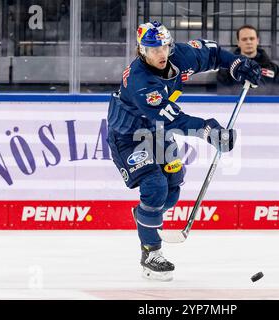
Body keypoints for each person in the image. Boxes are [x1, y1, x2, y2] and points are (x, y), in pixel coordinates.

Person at [107, 21, 264, 281]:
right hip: (129, 136)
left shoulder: (180, 55)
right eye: (151, 49)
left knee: (172, 185)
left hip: (157, 132)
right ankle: (151, 252)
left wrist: (238, 64)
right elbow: (173, 119)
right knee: (155, 186)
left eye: (163, 47)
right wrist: (208, 130)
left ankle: (147, 213)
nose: (159, 53)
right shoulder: (140, 81)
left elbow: (213, 53)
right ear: (141, 51)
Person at [217, 24, 279, 95]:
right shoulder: (226, 69)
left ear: (257, 41)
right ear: (238, 42)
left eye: (252, 38)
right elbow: (224, 99)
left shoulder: (273, 69)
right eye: (244, 39)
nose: (248, 42)